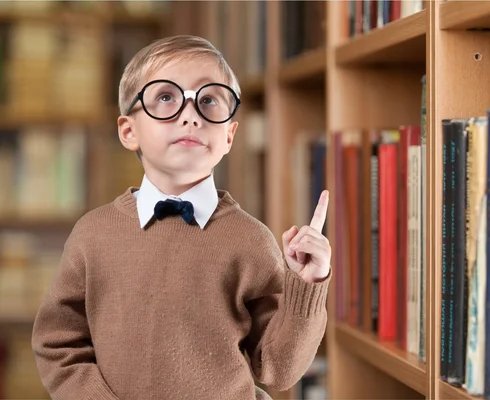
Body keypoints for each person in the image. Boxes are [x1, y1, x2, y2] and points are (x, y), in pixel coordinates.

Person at [31, 35, 332, 400]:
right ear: (129, 131)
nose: (190, 115)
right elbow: (57, 344)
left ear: (229, 136)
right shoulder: (92, 235)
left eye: (208, 100)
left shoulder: (251, 240)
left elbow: (278, 370)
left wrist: (308, 284)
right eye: (165, 98)